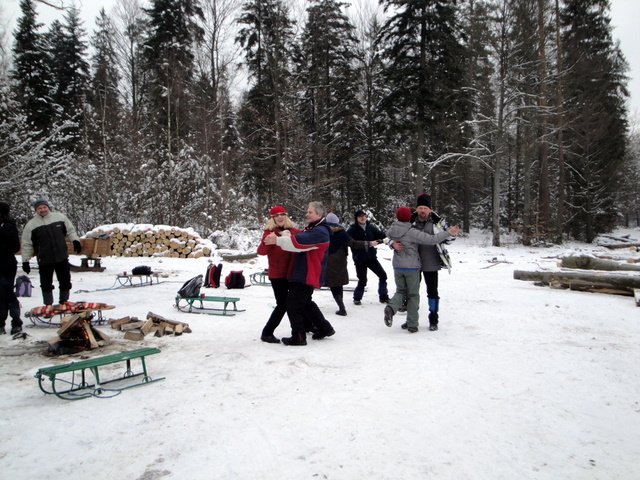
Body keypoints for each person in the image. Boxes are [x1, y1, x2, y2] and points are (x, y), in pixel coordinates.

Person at [264, 201, 335, 346]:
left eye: (310, 212)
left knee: (292, 304)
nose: (306, 214)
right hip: (302, 272)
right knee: (305, 302)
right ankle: (324, 328)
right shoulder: (314, 228)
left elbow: (298, 243)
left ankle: (299, 337)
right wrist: (283, 236)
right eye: (307, 211)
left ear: (319, 214)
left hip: (307, 273)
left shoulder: (319, 231)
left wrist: (277, 239)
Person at [384, 207, 459, 333]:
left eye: (425, 208)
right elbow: (431, 239)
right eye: (420, 208)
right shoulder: (411, 226)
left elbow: (386, 236)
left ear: (430, 210)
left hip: (427, 263)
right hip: (413, 266)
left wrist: (450, 233)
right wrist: (392, 243)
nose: (422, 210)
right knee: (412, 294)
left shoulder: (437, 221)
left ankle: (432, 319)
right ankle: (411, 322)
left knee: (428, 292)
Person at [21, 199, 82, 305]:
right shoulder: (31, 225)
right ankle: (48, 304)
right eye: (39, 208)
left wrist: (75, 241)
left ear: (48, 207)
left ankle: (64, 302)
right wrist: (25, 261)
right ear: (36, 210)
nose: (42, 210)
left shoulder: (60, 218)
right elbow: (27, 244)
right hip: (44, 259)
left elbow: (70, 231)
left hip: (61, 256)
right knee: (46, 284)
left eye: (44, 207)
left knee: (65, 281)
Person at [256, 206, 301, 343]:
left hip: (293, 273)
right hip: (277, 275)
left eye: (282, 214)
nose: (280, 217)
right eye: (276, 215)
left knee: (298, 301)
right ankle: (267, 333)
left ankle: (307, 326)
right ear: (273, 219)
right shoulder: (269, 233)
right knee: (282, 304)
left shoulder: (293, 231)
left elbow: (307, 238)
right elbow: (261, 252)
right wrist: (270, 241)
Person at [323, 213, 371, 316]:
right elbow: (353, 243)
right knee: (338, 283)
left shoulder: (323, 232)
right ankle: (341, 307)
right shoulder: (341, 233)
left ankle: (341, 307)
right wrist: (368, 243)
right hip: (340, 260)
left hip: (327, 260)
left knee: (333, 284)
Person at [346, 210, 389, 305]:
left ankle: (383, 297)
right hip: (360, 259)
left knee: (383, 275)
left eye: (364, 216)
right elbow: (348, 242)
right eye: (360, 216)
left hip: (371, 258)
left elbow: (381, 235)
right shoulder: (352, 230)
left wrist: (386, 238)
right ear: (356, 219)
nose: (362, 218)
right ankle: (357, 298)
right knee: (363, 280)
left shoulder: (371, 227)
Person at [0, 202, 22, 335]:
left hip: (6, 264)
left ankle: (16, 321)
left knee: (7, 293)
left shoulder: (8, 226)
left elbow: (15, 247)